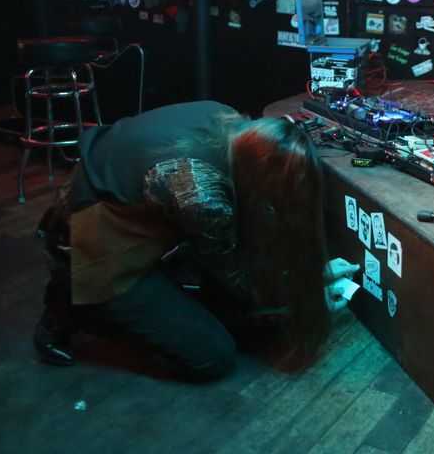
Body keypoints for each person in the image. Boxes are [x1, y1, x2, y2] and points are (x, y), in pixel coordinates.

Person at [33, 100, 359, 381]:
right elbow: (238, 279)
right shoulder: (201, 192)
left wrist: (304, 273)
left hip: (121, 218)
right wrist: (304, 294)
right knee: (212, 356)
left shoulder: (227, 117)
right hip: (88, 249)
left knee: (222, 293)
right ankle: (80, 307)